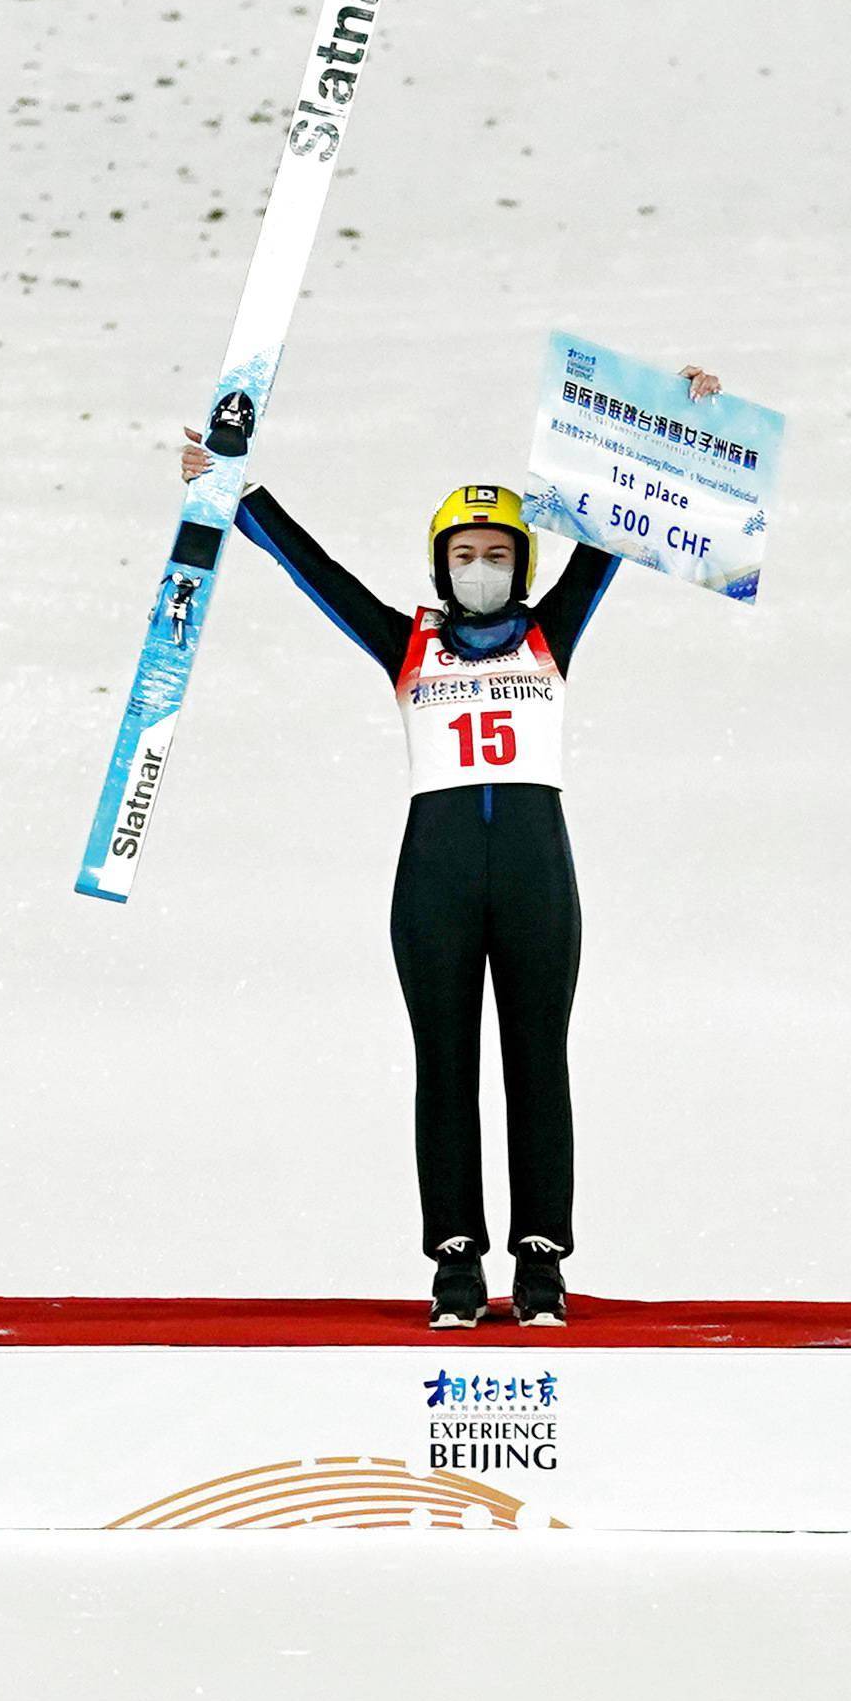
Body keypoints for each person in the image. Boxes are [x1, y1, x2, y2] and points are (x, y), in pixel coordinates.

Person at [187, 379, 713, 1329]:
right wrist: (235, 491)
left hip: (535, 874)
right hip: (432, 877)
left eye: (497, 554)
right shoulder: (406, 645)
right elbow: (318, 573)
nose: (480, 567)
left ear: (521, 564)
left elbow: (617, 529)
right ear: (442, 564)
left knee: (537, 1059)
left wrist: (683, 409)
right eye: (464, 554)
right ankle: (457, 1265)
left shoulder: (553, 630)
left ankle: (542, 1263)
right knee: (446, 1064)